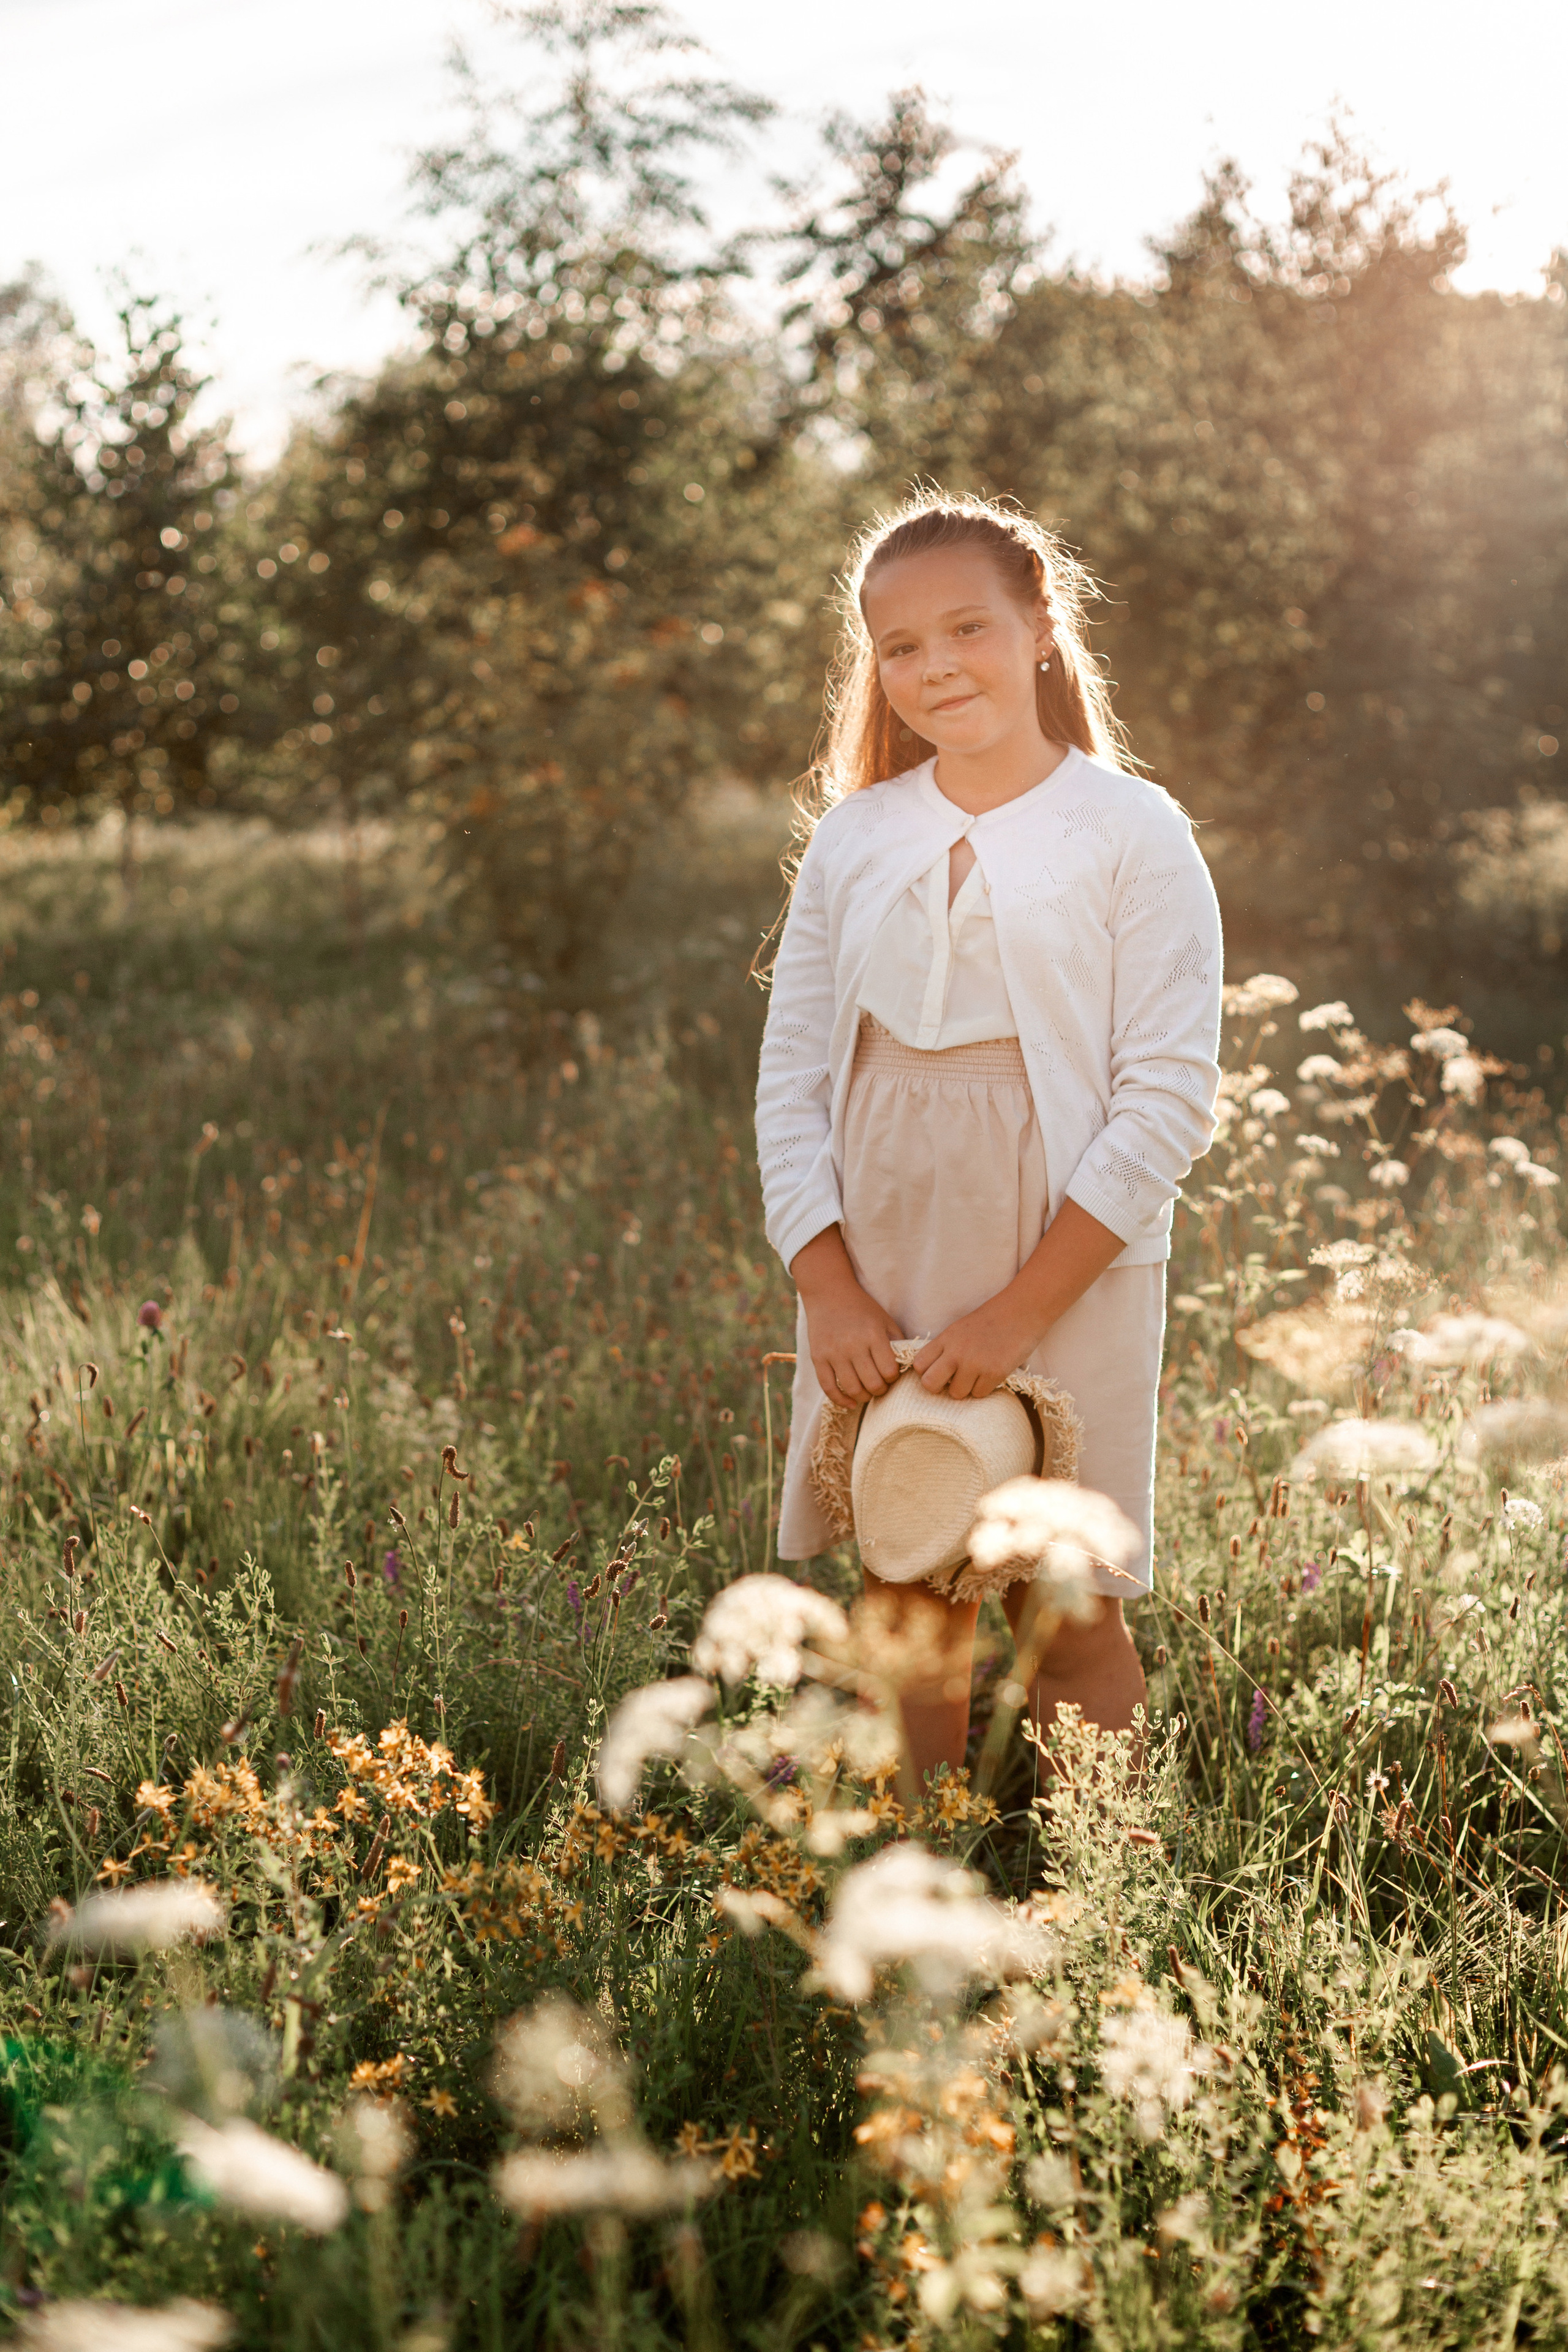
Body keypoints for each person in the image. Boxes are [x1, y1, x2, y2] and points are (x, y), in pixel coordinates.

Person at [754, 492, 1223, 1787]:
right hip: (884, 1236)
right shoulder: (855, 839)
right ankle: (911, 1892)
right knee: (909, 1604)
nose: (932, 666)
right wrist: (826, 1284)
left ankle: (1104, 1894)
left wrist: (1020, 1313)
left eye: (966, 627)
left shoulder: (1131, 832)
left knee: (1058, 1603)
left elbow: (1165, 1098)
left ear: (1039, 629)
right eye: (897, 647)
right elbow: (791, 1076)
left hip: (1061, 1245)